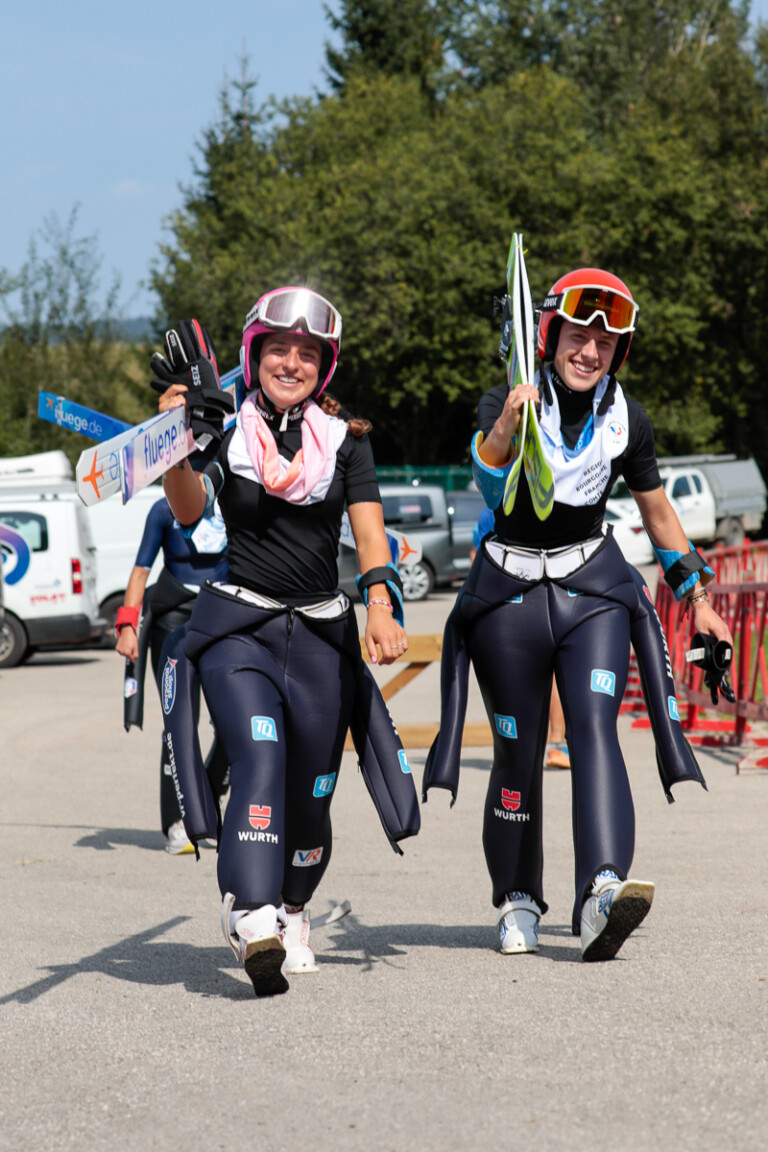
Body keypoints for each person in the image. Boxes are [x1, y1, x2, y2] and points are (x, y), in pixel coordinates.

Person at [424, 266, 732, 962]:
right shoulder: (505, 398)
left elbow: (657, 513)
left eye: (605, 341)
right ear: (549, 334)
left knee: (595, 728)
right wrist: (508, 420)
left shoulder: (628, 417)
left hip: (591, 593)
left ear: (618, 352)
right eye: (578, 334)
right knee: (517, 752)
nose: (589, 350)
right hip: (507, 598)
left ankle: (600, 892)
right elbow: (492, 477)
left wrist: (701, 601)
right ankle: (518, 897)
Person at [155, 287, 418, 997]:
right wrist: (176, 440)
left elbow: (368, 534)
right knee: (259, 758)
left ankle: (293, 910)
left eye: (308, 353)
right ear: (254, 356)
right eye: (279, 350)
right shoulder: (223, 431)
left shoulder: (349, 442)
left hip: (321, 636)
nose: (292, 363)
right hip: (241, 629)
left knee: (312, 796)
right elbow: (185, 509)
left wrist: (382, 605)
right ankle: (249, 913)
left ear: (324, 366)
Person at [115, 494, 230, 854]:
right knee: (180, 724)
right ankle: (178, 824)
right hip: (173, 618)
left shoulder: (234, 499)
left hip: (223, 616)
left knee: (237, 720)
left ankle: (208, 800)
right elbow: (140, 570)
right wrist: (128, 626)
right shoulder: (164, 509)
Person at [471, 505, 570, 770]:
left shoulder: (488, 512)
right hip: (546, 596)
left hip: (503, 602)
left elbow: (477, 558)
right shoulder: (546, 500)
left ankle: (519, 748)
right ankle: (557, 744)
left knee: (515, 678)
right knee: (551, 677)